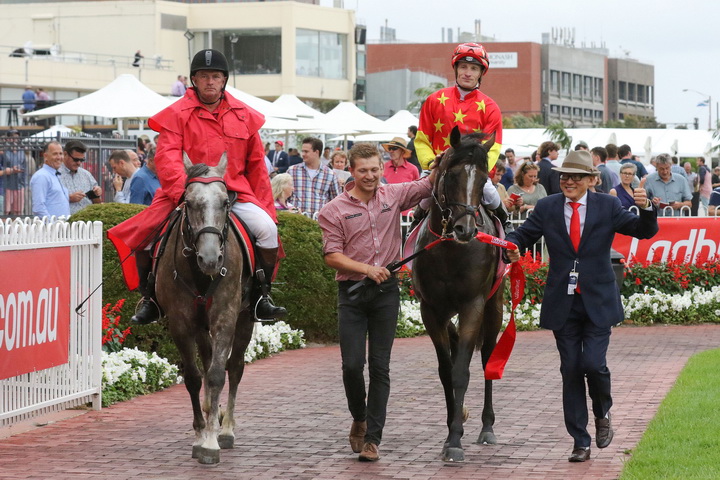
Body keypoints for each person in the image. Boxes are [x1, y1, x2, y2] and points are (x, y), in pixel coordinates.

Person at [107, 48, 285, 325]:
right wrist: (183, 193)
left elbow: (257, 168)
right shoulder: (176, 114)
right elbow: (167, 158)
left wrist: (267, 208)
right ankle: (151, 298)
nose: (210, 82)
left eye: (215, 76)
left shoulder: (244, 116)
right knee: (146, 236)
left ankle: (263, 296)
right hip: (185, 194)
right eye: (204, 76)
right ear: (194, 80)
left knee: (268, 230)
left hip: (234, 194)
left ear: (224, 80)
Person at [505, 150, 658, 463]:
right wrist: (509, 245)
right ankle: (580, 440)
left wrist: (646, 210)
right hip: (563, 302)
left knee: (593, 364)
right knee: (571, 369)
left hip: (599, 300)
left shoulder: (608, 204)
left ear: (592, 179)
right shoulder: (547, 207)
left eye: (576, 176)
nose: (569, 181)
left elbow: (643, 231)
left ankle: (602, 412)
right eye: (564, 175)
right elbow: (523, 235)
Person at [318, 142, 437, 463]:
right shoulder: (334, 210)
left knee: (380, 367)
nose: (369, 176)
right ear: (352, 172)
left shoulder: (393, 196)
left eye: (374, 169)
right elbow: (332, 256)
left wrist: (444, 159)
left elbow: (429, 183)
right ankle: (359, 416)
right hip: (353, 294)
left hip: (385, 294)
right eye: (363, 171)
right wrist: (367, 269)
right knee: (352, 365)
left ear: (381, 169)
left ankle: (373, 439)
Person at [415, 42, 502, 172]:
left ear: (481, 73)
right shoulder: (434, 100)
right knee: (415, 192)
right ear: (456, 69)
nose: (467, 73)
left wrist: (476, 168)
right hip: (435, 169)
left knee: (492, 194)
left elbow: (493, 147)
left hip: (473, 173)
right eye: (463, 67)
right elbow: (422, 140)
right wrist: (430, 162)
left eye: (474, 68)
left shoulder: (491, 108)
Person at [287, 137, 340, 217]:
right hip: (296, 222)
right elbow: (282, 197)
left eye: (306, 151)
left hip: (320, 223)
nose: (303, 154)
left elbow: (336, 202)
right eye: (302, 151)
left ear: (316, 152)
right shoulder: (292, 171)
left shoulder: (330, 174)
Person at [58, 140, 102, 214]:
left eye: (82, 160)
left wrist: (97, 193)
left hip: (88, 221)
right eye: (75, 159)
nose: (79, 163)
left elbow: (97, 203)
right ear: (65, 154)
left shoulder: (86, 175)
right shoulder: (55, 175)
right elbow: (48, 200)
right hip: (65, 222)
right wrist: (69, 198)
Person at [30, 141, 70, 218]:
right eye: (55, 154)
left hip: (62, 227)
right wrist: (52, 225)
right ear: (45, 156)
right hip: (51, 228)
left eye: (61, 154)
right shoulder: (41, 176)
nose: (59, 157)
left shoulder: (55, 175)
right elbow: (38, 207)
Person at [2, 130, 27, 216]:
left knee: (18, 211)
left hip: (19, 185)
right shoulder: (4, 152)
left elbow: (25, 167)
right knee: (6, 210)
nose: (14, 140)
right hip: (7, 185)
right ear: (8, 139)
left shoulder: (21, 152)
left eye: (16, 138)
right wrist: (10, 170)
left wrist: (24, 183)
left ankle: (17, 228)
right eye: (12, 138)